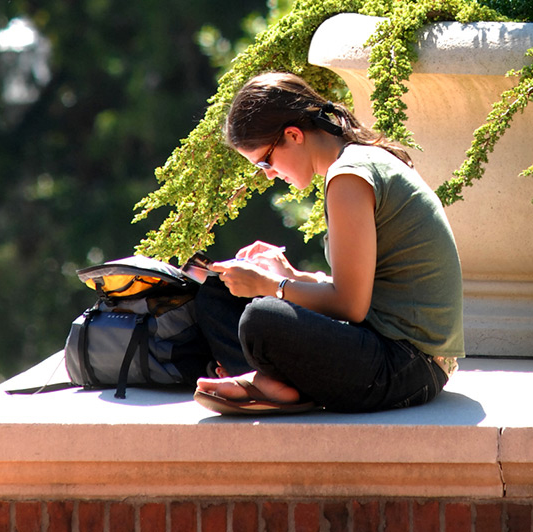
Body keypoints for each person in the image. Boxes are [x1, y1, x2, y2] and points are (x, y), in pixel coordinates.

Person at [192, 72, 464, 415]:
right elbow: (364, 293)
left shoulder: (349, 177)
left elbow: (351, 306)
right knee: (218, 297)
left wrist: (272, 285)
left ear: (293, 135)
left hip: (408, 366)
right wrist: (292, 277)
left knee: (261, 319)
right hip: (386, 346)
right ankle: (276, 382)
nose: (269, 175)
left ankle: (275, 383)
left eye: (265, 162)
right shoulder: (354, 163)